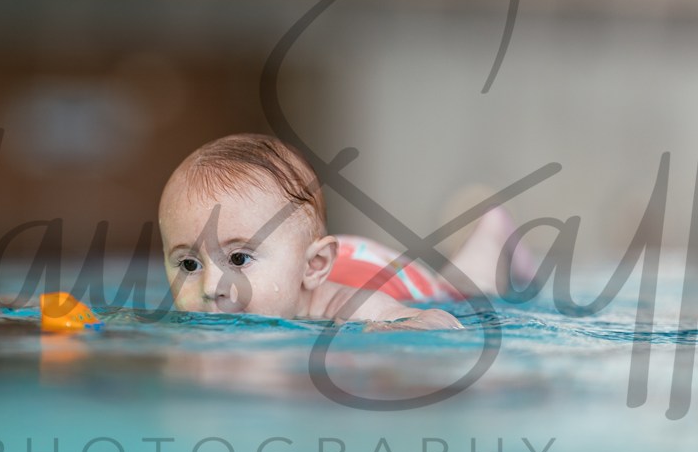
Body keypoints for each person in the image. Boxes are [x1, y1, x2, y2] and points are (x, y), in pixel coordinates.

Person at [157, 133, 525, 328]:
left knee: (469, 287)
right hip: (315, 255)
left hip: (381, 273)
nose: (211, 289)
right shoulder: (254, 285)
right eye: (190, 264)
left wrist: (397, 328)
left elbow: (438, 323)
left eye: (239, 259)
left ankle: (492, 229)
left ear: (313, 265)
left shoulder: (351, 306)